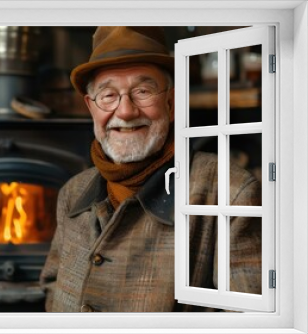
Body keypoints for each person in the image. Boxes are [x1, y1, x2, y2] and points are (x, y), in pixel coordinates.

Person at [39, 26, 262, 312]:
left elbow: (248, 322)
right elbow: (52, 287)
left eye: (143, 91)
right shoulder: (72, 192)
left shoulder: (229, 193)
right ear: (91, 107)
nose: (126, 111)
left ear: (171, 102)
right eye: (108, 95)